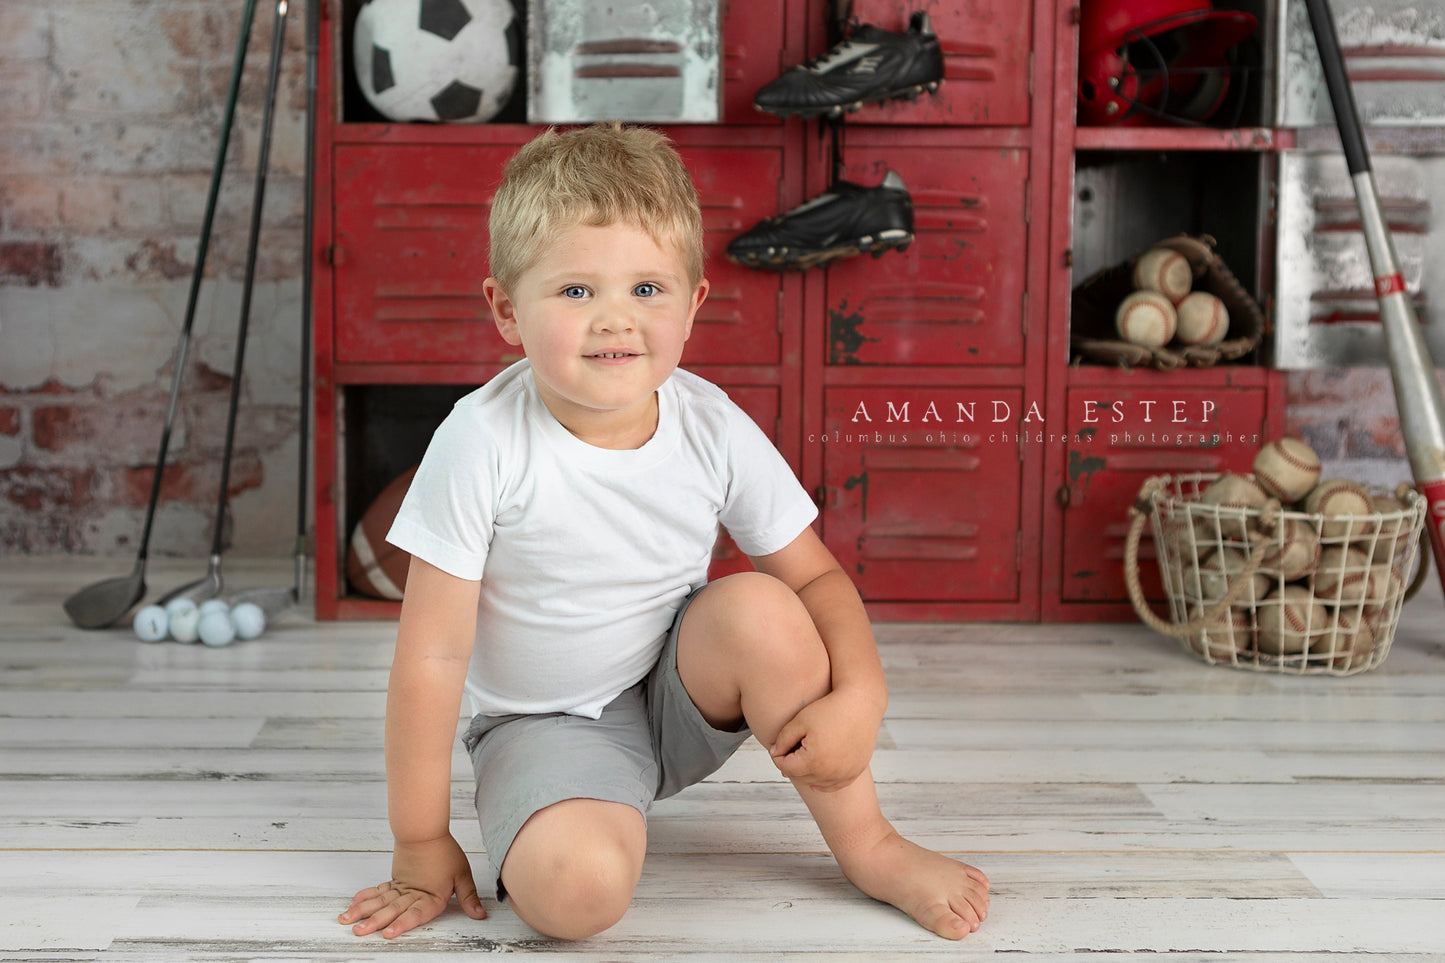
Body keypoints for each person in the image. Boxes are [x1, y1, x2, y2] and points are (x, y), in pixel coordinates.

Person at [338, 123, 990, 942]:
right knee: (576, 896)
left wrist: (862, 693)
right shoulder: (482, 439)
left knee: (763, 606)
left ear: (693, 302)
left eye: (646, 288)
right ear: (507, 310)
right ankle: (580, 805)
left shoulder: (709, 422)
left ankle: (872, 844)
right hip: (546, 723)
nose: (616, 319)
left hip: (675, 693)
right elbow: (429, 656)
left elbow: (818, 579)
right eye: (576, 292)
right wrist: (419, 841)